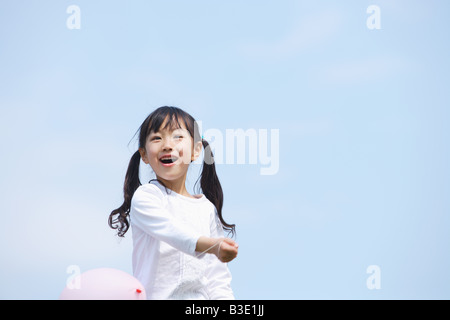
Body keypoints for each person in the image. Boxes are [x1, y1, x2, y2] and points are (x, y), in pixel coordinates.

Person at [108, 106, 238, 299]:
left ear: (195, 151)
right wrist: (212, 245)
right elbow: (172, 230)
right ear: (144, 154)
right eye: (157, 138)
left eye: (178, 137)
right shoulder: (146, 197)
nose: (167, 145)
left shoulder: (206, 208)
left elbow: (217, 279)